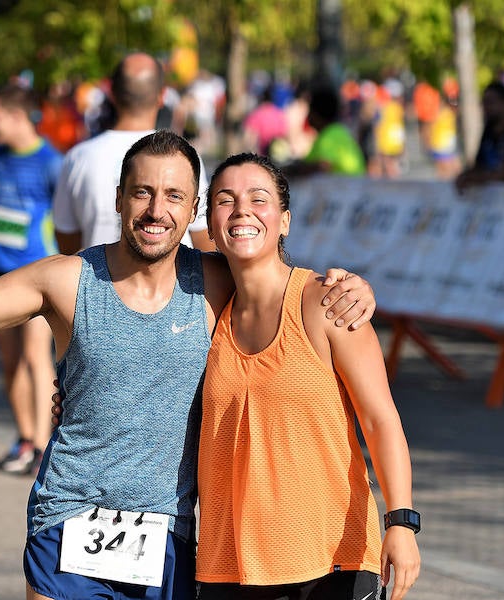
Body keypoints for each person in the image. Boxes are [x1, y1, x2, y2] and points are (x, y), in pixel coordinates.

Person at [0, 130, 377, 600]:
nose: (156, 210)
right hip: (70, 517)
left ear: (193, 210)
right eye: (142, 193)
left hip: (171, 533)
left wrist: (349, 287)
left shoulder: (215, 282)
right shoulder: (66, 280)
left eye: (174, 195)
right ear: (118, 200)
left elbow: (283, 282)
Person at [196, 153, 420, 600]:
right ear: (210, 224)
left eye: (259, 199)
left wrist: (402, 522)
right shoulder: (203, 307)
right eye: (226, 200)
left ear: (284, 222)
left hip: (329, 561)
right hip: (229, 566)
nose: (242, 210)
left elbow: (380, 420)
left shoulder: (328, 302)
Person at [53, 52, 214, 255]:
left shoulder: (77, 158)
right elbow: (203, 237)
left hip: (99, 280)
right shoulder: (183, 157)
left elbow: (67, 243)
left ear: (111, 93)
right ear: (162, 96)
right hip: (174, 281)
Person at [0, 83, 62, 475]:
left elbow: (63, 218)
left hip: (35, 275)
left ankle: (46, 445)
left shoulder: (51, 161)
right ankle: (25, 439)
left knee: (35, 356)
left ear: (16, 116)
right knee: (10, 361)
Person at [455, 81, 504, 191]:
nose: (486, 107)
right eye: (484, 103)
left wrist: (476, 178)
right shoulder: (489, 130)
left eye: (491, 102)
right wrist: (465, 176)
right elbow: (479, 165)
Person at [284, 87, 366, 178]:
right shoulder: (336, 132)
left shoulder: (331, 135)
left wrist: (294, 171)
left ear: (316, 114)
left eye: (310, 111)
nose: (308, 116)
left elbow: (323, 166)